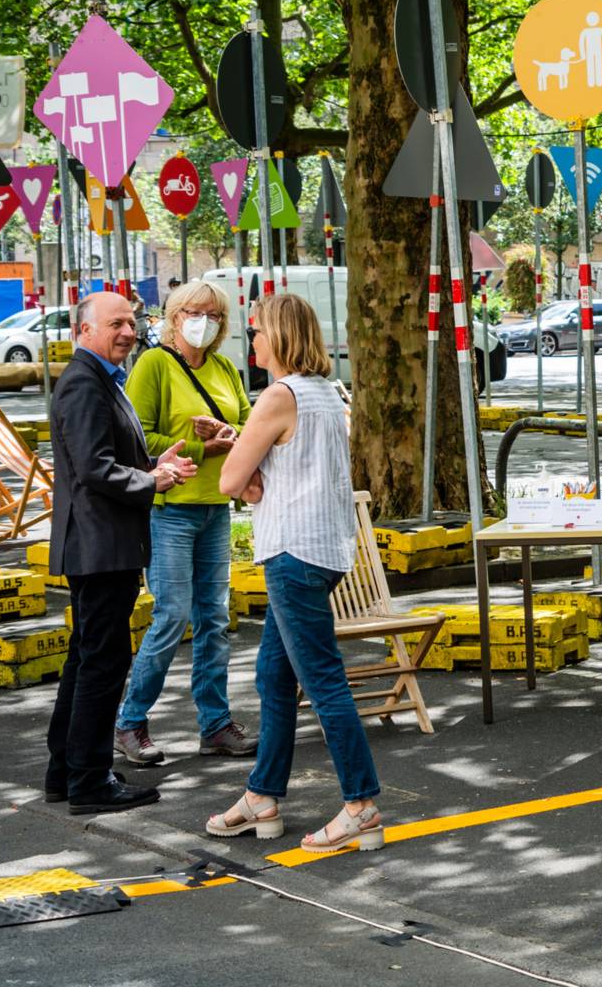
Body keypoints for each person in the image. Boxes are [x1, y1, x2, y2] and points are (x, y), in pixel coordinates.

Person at [211, 294, 383, 852]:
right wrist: (251, 462)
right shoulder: (327, 393)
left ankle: (361, 804)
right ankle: (262, 795)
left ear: (281, 337)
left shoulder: (278, 395)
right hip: (327, 549)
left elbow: (231, 482)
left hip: (291, 551)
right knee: (274, 676)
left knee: (323, 682)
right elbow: (287, 468)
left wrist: (240, 457)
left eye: (257, 331)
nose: (252, 341)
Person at [43, 292, 196, 814]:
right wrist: (151, 479)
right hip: (101, 547)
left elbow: (104, 459)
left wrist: (153, 463)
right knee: (102, 664)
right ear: (83, 330)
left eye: (132, 322)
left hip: (101, 544)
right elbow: (93, 468)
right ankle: (89, 781)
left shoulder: (99, 378)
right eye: (116, 324)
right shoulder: (85, 382)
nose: (129, 332)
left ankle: (67, 773)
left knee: (87, 658)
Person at [115, 282, 255, 765]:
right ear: (174, 317)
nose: (203, 321)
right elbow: (136, 439)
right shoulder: (154, 364)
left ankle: (215, 724)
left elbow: (249, 423)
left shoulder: (223, 367)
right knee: (172, 615)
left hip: (215, 506)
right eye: (194, 312)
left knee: (214, 620)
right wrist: (200, 447)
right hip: (169, 508)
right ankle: (130, 722)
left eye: (213, 314)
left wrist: (228, 432)